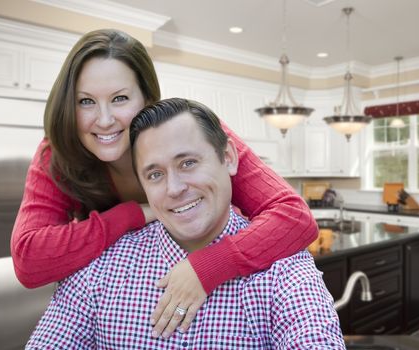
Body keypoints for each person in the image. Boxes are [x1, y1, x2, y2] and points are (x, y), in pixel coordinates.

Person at [11, 29, 317, 336]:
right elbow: (28, 260)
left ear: (147, 99)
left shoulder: (191, 133)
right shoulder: (59, 154)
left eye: (119, 98)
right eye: (85, 101)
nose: (104, 120)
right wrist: (137, 213)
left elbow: (295, 217)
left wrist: (208, 266)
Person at [26, 98, 344, 349]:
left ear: (229, 158)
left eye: (188, 163)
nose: (174, 188)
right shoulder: (101, 266)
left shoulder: (286, 270)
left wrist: (211, 266)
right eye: (155, 174)